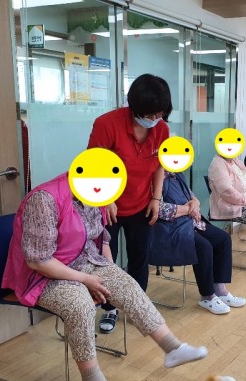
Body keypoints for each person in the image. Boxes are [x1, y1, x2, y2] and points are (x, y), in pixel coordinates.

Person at [2, 173, 208, 381]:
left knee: (125, 283)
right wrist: (86, 280)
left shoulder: (94, 193)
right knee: (79, 305)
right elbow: (38, 260)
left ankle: (172, 348)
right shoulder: (44, 199)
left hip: (84, 261)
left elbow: (102, 239)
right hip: (44, 275)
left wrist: (110, 272)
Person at [87, 74, 172, 334]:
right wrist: (107, 199)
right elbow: (95, 165)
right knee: (106, 261)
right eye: (150, 114)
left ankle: (137, 305)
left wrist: (156, 198)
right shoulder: (107, 124)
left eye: (160, 113)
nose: (154, 118)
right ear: (135, 106)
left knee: (140, 257)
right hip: (107, 206)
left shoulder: (161, 129)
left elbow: (160, 165)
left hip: (142, 204)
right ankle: (109, 308)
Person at [149, 171, 246, 315]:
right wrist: (188, 209)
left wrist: (194, 203)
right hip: (170, 229)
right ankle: (207, 296)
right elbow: (161, 210)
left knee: (223, 239)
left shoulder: (177, 174)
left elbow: (193, 197)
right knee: (203, 247)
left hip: (190, 221)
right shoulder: (154, 178)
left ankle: (220, 290)